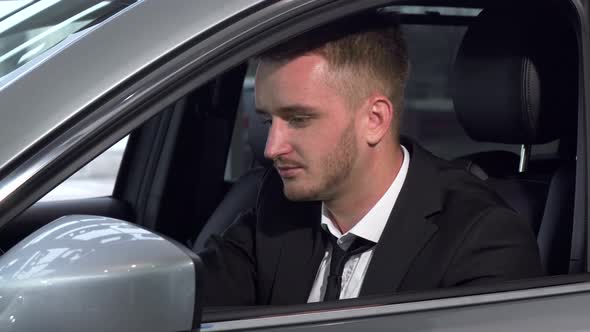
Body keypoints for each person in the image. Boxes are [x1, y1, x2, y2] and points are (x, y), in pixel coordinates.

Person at [199, 10, 543, 306]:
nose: (272, 148)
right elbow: (188, 296)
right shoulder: (277, 207)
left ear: (375, 120)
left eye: (299, 119)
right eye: (267, 121)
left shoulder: (481, 239)